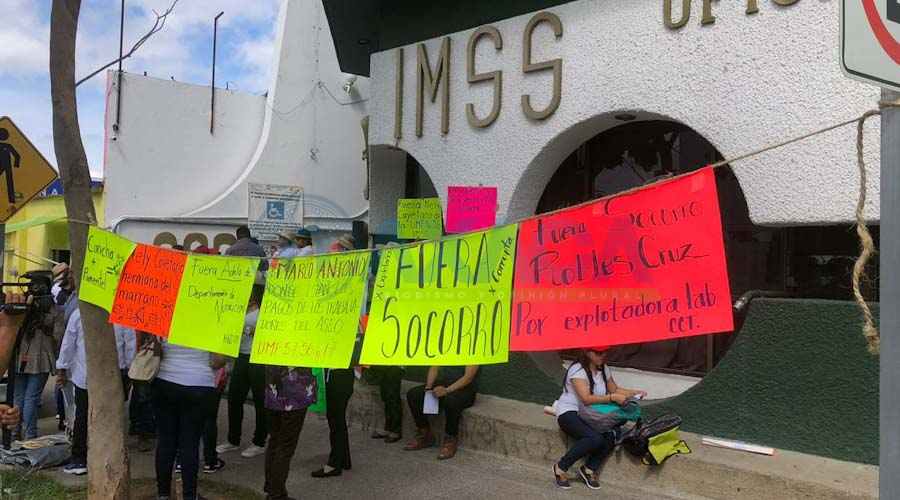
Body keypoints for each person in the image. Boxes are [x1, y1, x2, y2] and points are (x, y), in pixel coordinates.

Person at [552, 347, 647, 490]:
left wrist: (634, 392)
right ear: (588, 352)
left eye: (605, 352)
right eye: (598, 353)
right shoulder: (578, 371)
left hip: (593, 414)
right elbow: (586, 399)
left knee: (612, 434)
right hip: (570, 413)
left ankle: (589, 469)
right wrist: (611, 398)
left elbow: (614, 389)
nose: (603, 356)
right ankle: (560, 467)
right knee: (594, 438)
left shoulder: (603, 368)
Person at [153, 337, 224, 500]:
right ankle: (189, 495)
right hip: (198, 383)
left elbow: (157, 351)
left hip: (165, 380)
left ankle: (163, 493)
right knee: (190, 443)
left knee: (165, 441)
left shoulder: (167, 314)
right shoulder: (213, 318)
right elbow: (218, 361)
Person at [310, 235, 355, 478]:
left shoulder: (347, 295)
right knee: (335, 415)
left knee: (335, 417)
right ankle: (343, 458)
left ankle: (334, 463)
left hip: (338, 366)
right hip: (335, 364)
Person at [217, 284, 268, 459]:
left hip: (257, 360)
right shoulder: (238, 311)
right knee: (234, 398)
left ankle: (259, 442)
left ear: (253, 297)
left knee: (261, 402)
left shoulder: (262, 313)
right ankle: (233, 439)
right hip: (241, 357)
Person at [263, 365, 317, 500]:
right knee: (284, 446)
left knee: (275, 440)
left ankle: (272, 487)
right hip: (294, 394)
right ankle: (276, 493)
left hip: (274, 390)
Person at [404, 365, 479, 460]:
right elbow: (434, 367)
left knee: (451, 401)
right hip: (444, 384)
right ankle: (425, 434)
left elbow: (468, 377)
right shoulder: (444, 349)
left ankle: (450, 440)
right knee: (414, 394)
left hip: (465, 389)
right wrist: (428, 388)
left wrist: (447, 390)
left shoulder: (471, 351)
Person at [13, 281, 58, 440]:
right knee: (31, 398)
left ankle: (15, 432)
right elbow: (56, 329)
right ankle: (30, 434)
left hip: (20, 358)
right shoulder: (49, 307)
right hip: (40, 359)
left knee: (19, 397)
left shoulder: (22, 306)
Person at [55, 307, 88, 475]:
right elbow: (129, 344)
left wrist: (62, 368)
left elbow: (68, 344)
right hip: (113, 377)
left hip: (85, 378)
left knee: (82, 417)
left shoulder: (78, 314)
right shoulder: (118, 312)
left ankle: (79, 460)